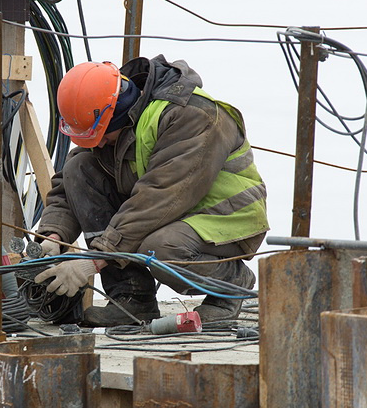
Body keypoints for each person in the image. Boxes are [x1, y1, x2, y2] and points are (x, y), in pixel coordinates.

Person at [34, 55, 269, 326]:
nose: (97, 145)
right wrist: (53, 234)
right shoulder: (113, 114)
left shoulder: (191, 116)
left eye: (100, 137)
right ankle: (132, 298)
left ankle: (229, 287)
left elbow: (160, 196)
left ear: (116, 115)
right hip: (172, 211)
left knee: (160, 249)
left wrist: (95, 261)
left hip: (225, 216)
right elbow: (71, 181)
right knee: (81, 166)